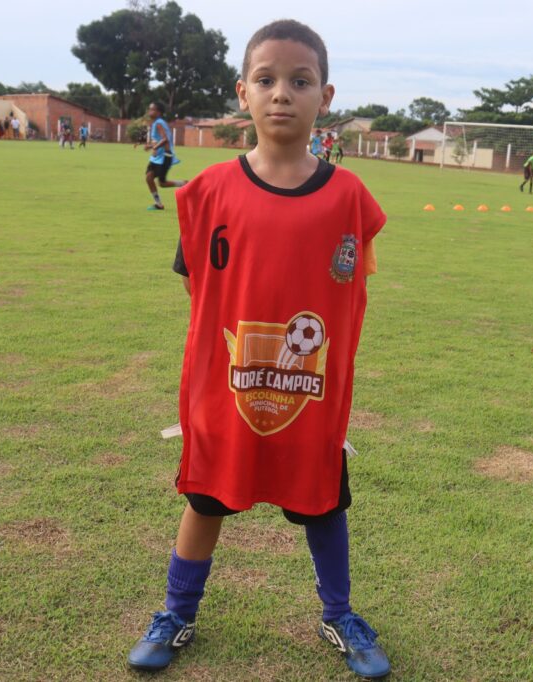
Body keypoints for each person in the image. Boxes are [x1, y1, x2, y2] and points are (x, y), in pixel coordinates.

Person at [126, 19, 391, 680]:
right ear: (242, 91)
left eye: (300, 81)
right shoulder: (209, 192)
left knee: (323, 503)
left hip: (310, 393)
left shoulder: (349, 198)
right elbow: (195, 283)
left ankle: (340, 615)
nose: (282, 94)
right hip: (229, 387)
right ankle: (176, 612)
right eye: (266, 79)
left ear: (325, 96)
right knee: (205, 500)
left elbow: (350, 286)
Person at [144, 102, 186, 210]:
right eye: (149, 109)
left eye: (152, 110)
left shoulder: (159, 123)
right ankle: (158, 204)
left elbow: (165, 139)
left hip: (164, 157)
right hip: (157, 158)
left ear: (159, 112)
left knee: (162, 183)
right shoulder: (157, 123)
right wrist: (150, 146)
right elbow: (160, 140)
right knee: (149, 178)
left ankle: (186, 184)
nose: (150, 111)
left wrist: (154, 147)